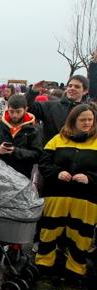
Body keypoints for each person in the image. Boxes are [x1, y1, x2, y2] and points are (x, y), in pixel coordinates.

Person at [35, 104, 97, 281]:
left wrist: (90, 178)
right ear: (73, 120)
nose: (86, 123)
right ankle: (44, 262)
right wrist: (57, 173)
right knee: (49, 230)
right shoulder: (58, 139)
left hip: (86, 198)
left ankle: (76, 268)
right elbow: (44, 163)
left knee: (82, 234)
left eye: (90, 120)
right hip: (57, 194)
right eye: (82, 120)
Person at [0, 94, 42, 179]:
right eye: (11, 111)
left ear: (26, 109)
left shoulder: (33, 129)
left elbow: (37, 155)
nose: (15, 115)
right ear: (7, 109)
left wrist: (15, 151)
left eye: (18, 111)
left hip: (22, 176)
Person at [31, 75, 89, 144]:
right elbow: (29, 108)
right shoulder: (50, 106)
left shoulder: (89, 111)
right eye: (70, 86)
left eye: (77, 87)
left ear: (85, 91)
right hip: (52, 151)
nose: (72, 88)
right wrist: (32, 92)